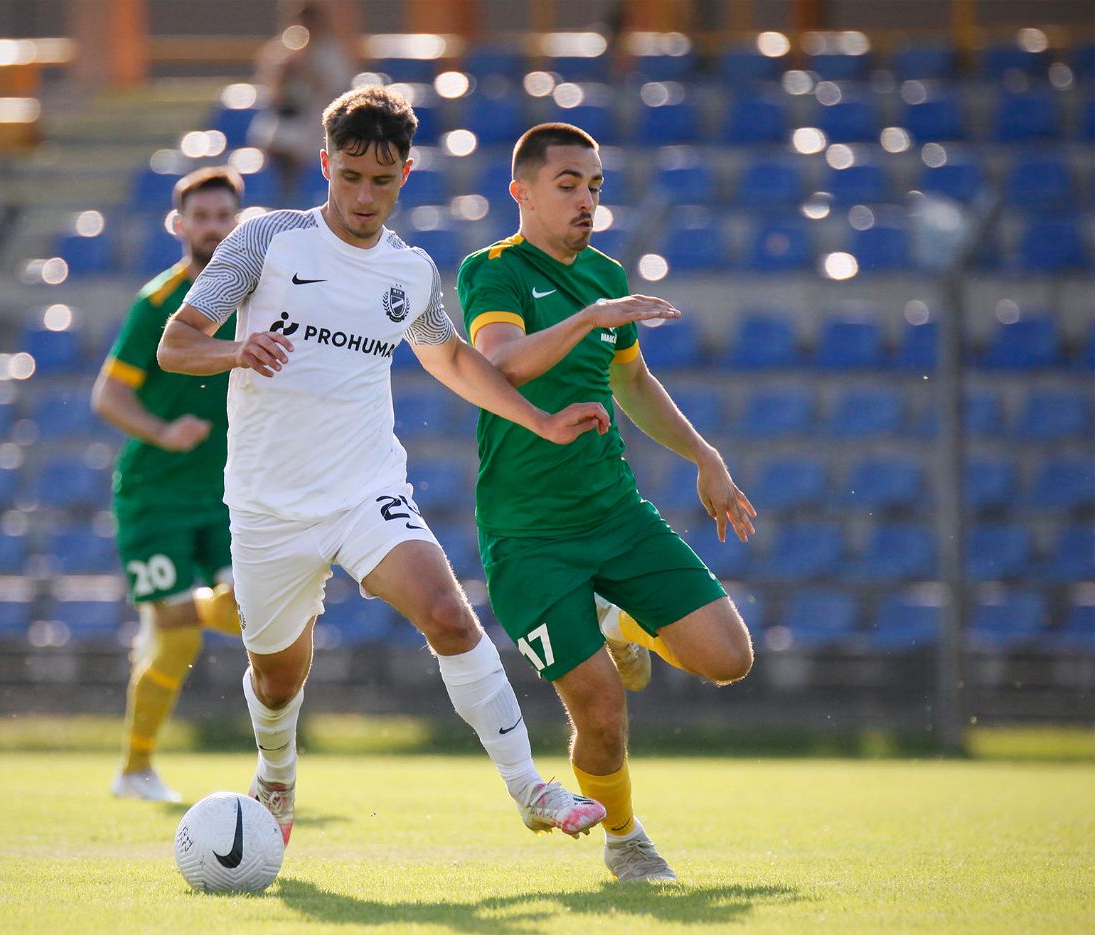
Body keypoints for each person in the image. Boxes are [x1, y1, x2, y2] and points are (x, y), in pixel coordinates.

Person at [157, 86, 611, 848]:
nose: (365, 196)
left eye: (382, 179)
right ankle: (277, 772)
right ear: (325, 165)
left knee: (448, 613)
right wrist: (237, 348)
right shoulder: (266, 241)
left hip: (366, 490)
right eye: (350, 177)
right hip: (269, 505)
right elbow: (177, 343)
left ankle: (530, 786)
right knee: (277, 678)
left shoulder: (409, 271)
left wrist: (538, 419)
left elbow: (453, 359)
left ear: (405, 174)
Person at [456, 122, 758, 882]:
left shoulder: (604, 273)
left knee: (730, 659)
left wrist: (706, 456)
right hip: (529, 537)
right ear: (522, 192)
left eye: (594, 186)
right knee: (599, 710)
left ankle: (617, 621)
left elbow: (633, 382)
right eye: (568, 185)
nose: (586, 200)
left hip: (615, 515)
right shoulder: (492, 271)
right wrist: (590, 316)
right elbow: (501, 363)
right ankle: (626, 840)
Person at [92, 166, 247, 802]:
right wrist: (162, 431)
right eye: (200, 217)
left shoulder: (257, 298)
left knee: (251, 613)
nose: (212, 228)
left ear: (239, 223)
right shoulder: (158, 304)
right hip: (156, 496)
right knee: (180, 634)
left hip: (230, 495)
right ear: (178, 225)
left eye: (223, 217)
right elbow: (108, 395)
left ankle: (181, 610)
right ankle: (134, 770)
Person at [248, 0, 355, 205]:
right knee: (273, 140)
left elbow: (341, 94)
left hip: (320, 123)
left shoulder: (331, 53)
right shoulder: (284, 49)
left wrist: (310, 73)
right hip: (287, 120)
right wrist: (284, 73)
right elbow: (270, 94)